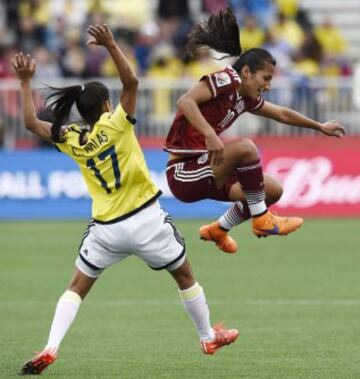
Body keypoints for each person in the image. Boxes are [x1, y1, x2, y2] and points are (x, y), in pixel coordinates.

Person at [12, 25, 239, 376]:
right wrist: (111, 45)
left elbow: (29, 122)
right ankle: (207, 336)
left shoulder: (70, 136)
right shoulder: (118, 124)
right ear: (105, 105)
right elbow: (132, 83)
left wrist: (26, 82)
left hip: (106, 229)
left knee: (76, 287)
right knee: (185, 276)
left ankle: (50, 346)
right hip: (147, 220)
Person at [164, 8, 345, 254]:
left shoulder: (245, 97)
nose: (268, 86)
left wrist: (319, 126)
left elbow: (281, 113)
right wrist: (210, 134)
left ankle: (219, 229)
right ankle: (261, 219)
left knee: (271, 190)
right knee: (246, 148)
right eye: (266, 78)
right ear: (247, 72)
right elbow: (185, 101)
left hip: (209, 167)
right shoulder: (228, 79)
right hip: (184, 172)